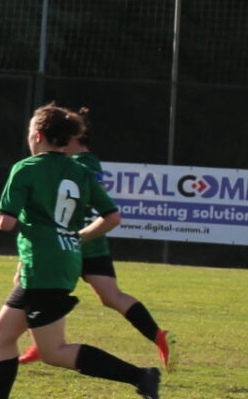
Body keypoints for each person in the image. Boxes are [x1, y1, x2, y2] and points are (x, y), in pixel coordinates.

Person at [0, 104, 162, 399]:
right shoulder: (80, 171)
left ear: (37, 135)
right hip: (62, 261)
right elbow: (113, 217)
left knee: (54, 351)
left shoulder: (27, 168)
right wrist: (75, 236)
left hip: (42, 265)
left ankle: (141, 376)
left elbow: (5, 222)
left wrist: (10, 217)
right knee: (4, 333)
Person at [29, 117, 170, 367]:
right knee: (111, 296)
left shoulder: (74, 166)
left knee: (35, 287)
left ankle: (43, 345)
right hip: (93, 240)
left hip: (73, 238)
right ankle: (158, 336)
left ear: (74, 139)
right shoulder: (89, 163)